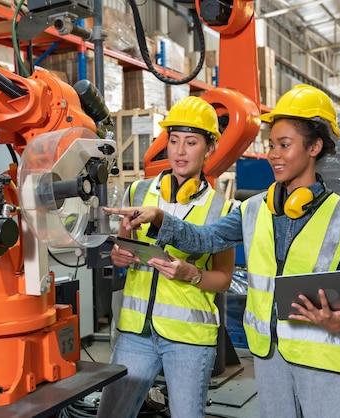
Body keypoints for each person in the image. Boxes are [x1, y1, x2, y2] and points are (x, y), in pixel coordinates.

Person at [105, 84, 340, 418]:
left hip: (322, 359)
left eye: (284, 145)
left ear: (315, 146)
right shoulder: (254, 209)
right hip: (269, 356)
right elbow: (203, 239)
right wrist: (162, 218)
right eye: (271, 145)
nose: (274, 154)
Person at [96, 96, 236, 418]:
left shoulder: (222, 210)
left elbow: (224, 278)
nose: (180, 151)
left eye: (191, 142)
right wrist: (119, 255)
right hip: (135, 332)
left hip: (189, 338)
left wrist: (192, 274)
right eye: (173, 141)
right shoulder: (137, 192)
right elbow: (124, 246)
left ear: (209, 148)